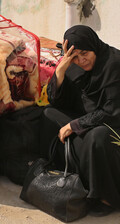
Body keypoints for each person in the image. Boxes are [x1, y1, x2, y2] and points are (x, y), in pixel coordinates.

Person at [41, 25, 120, 216]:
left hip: (113, 123)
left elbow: (111, 110)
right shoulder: (73, 67)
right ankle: (64, 174)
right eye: (74, 57)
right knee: (47, 114)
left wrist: (75, 125)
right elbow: (57, 100)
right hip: (87, 119)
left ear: (94, 46)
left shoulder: (113, 64)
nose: (81, 60)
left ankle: (105, 197)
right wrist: (60, 71)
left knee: (97, 137)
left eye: (85, 53)